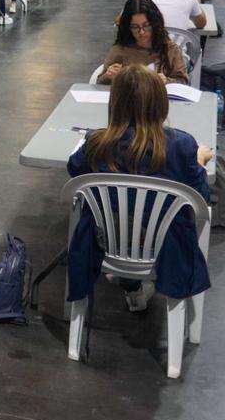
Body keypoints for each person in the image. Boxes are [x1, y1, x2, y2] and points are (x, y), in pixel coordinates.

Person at [66, 64, 212, 311]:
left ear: (115, 104)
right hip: (165, 245)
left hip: (106, 240)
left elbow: (75, 171)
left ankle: (128, 283)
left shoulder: (96, 143)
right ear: (160, 104)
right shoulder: (181, 146)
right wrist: (198, 161)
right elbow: (201, 197)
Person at [98, 0, 189, 85]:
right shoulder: (120, 50)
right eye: (134, 27)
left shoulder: (170, 49)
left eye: (146, 25)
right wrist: (108, 76)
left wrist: (167, 81)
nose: (142, 32)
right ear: (127, 28)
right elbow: (99, 82)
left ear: (155, 24)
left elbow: (183, 82)